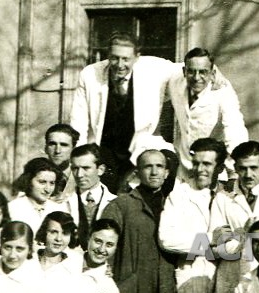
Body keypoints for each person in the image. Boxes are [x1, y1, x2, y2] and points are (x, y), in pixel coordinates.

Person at [70, 33, 183, 182]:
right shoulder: (90, 74)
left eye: (125, 59)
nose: (120, 64)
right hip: (104, 148)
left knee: (166, 165)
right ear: (108, 55)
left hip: (140, 146)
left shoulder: (154, 68)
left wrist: (214, 80)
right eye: (114, 58)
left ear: (137, 57)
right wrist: (80, 156)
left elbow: (187, 68)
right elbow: (78, 120)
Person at [159, 137, 233, 293]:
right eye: (196, 163)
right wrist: (209, 239)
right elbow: (166, 239)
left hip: (226, 274)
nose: (200, 169)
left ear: (219, 167)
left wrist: (223, 248)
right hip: (193, 275)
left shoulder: (229, 195)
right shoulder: (180, 195)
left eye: (207, 164)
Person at [105, 148, 179, 293]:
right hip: (134, 292)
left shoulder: (174, 205)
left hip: (165, 292)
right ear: (137, 172)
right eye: (148, 167)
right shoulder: (121, 205)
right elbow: (106, 249)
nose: (154, 172)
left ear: (167, 172)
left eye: (159, 167)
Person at [166, 47, 248, 165]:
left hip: (211, 164)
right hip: (183, 160)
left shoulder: (222, 91)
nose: (196, 78)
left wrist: (235, 163)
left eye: (203, 72)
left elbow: (234, 127)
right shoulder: (176, 81)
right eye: (191, 71)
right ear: (184, 71)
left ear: (212, 73)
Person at [63, 143, 117, 247]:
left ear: (100, 170)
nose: (79, 175)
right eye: (75, 168)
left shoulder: (116, 203)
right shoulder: (63, 202)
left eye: (86, 168)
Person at [6, 157, 66, 237]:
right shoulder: (12, 209)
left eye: (52, 183)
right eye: (42, 182)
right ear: (28, 180)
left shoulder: (59, 209)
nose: (47, 189)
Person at [228, 140, 259, 218]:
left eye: (253, 168)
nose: (248, 175)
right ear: (235, 168)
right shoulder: (222, 197)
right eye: (243, 168)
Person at [43, 123, 79, 210]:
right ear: (46, 148)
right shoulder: (33, 178)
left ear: (74, 150)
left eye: (64, 145)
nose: (57, 151)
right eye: (52, 144)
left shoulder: (82, 177)